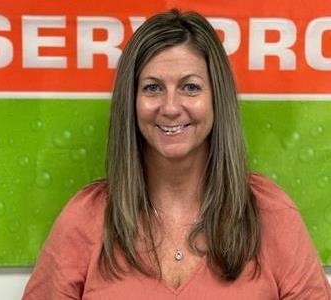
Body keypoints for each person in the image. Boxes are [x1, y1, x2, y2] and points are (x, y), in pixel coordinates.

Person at [22, 9, 331, 299]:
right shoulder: (84, 220)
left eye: (190, 87)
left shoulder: (270, 214)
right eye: (153, 88)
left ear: (216, 99)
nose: (170, 107)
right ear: (131, 101)